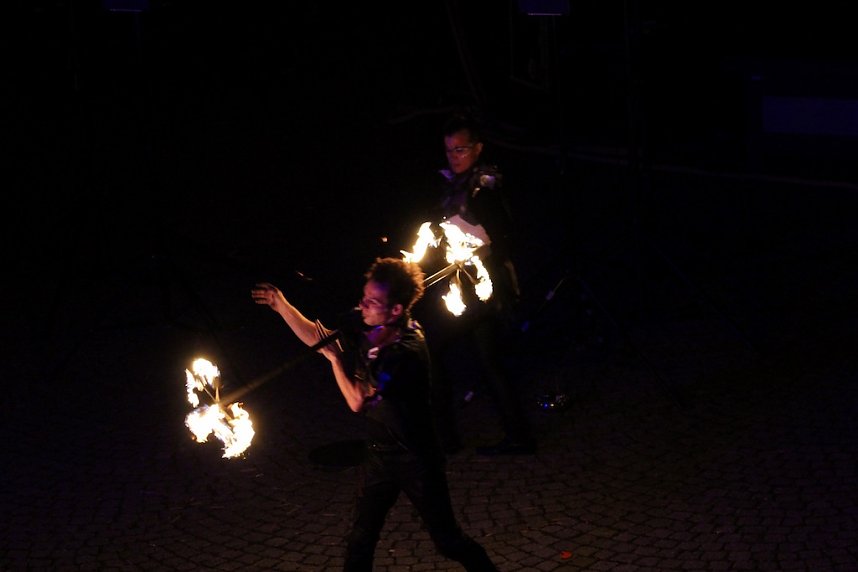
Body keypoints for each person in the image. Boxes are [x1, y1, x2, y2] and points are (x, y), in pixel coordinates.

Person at [251, 258, 499, 572]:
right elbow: (323, 337)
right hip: (380, 455)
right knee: (360, 540)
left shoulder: (405, 353)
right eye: (363, 297)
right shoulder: (371, 319)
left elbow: (357, 400)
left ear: (396, 310)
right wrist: (281, 304)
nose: (362, 306)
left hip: (417, 458)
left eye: (372, 302)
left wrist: (335, 360)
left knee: (448, 542)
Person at [415, 113, 536, 456]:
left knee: (440, 350)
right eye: (449, 150)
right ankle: (511, 435)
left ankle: (450, 437)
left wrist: (475, 254)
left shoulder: (485, 185)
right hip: (465, 288)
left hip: (485, 290)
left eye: (461, 149)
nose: (454, 156)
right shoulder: (452, 186)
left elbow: (502, 237)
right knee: (485, 360)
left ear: (478, 148)